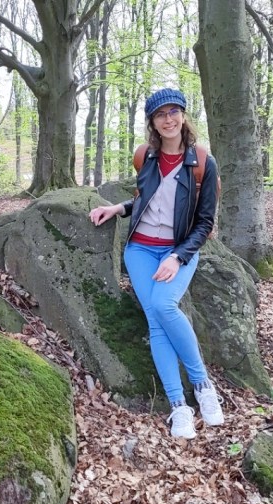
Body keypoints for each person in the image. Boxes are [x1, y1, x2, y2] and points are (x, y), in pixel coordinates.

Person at [88, 87, 224, 439]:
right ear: (152, 122)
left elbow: (204, 223)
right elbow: (146, 200)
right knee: (155, 319)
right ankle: (179, 406)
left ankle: (203, 385)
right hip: (140, 250)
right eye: (160, 114)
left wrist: (178, 257)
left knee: (164, 305)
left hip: (180, 250)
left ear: (183, 116)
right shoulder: (145, 156)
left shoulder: (203, 163)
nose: (168, 119)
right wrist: (117, 208)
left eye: (173, 112)